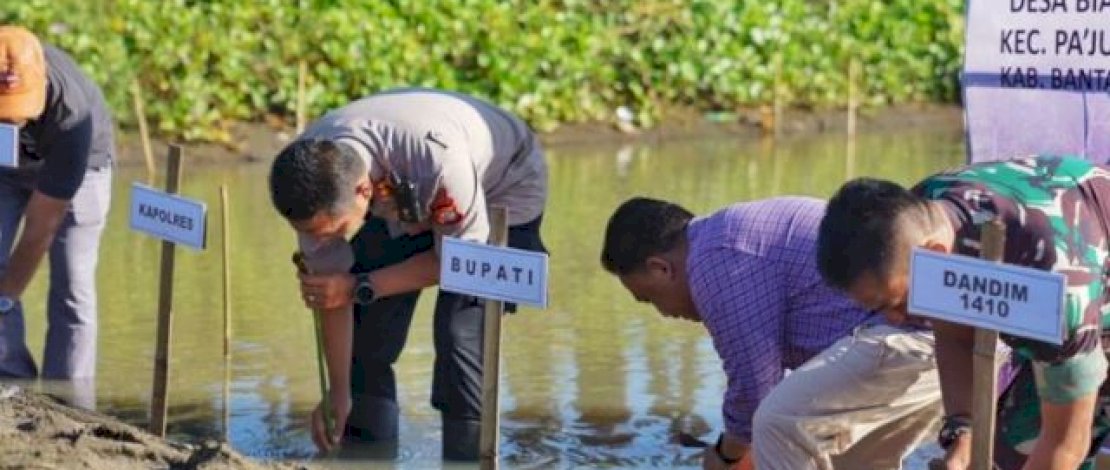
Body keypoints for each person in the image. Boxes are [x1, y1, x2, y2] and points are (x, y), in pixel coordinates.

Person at [268, 88, 547, 460]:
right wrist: (338, 392)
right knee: (368, 335)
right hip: (402, 199)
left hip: (503, 186)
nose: (322, 240)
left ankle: (466, 458)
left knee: (460, 338)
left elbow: (461, 264)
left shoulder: (439, 164)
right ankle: (366, 452)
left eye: (334, 230)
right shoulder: (308, 182)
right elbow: (333, 294)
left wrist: (361, 285)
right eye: (312, 233)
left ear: (362, 190)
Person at [600, 196, 942, 470]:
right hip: (919, 343)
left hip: (913, 338)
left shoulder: (715, 262)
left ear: (660, 268)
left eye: (650, 298)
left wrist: (726, 456)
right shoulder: (724, 236)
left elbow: (755, 388)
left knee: (776, 423)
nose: (665, 313)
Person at [816, 155, 1110, 470]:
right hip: (1061, 300)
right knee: (1004, 454)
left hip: (1084, 291)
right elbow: (956, 336)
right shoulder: (922, 215)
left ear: (934, 253)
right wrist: (964, 435)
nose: (895, 320)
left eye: (897, 302)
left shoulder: (1059, 286)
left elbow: (1065, 445)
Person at [0, 26, 114, 394]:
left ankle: (67, 396)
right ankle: (9, 378)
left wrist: (5, 297)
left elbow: (40, 229)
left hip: (82, 168)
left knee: (72, 283)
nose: (11, 121)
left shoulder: (72, 114)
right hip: (5, 167)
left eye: (18, 109)